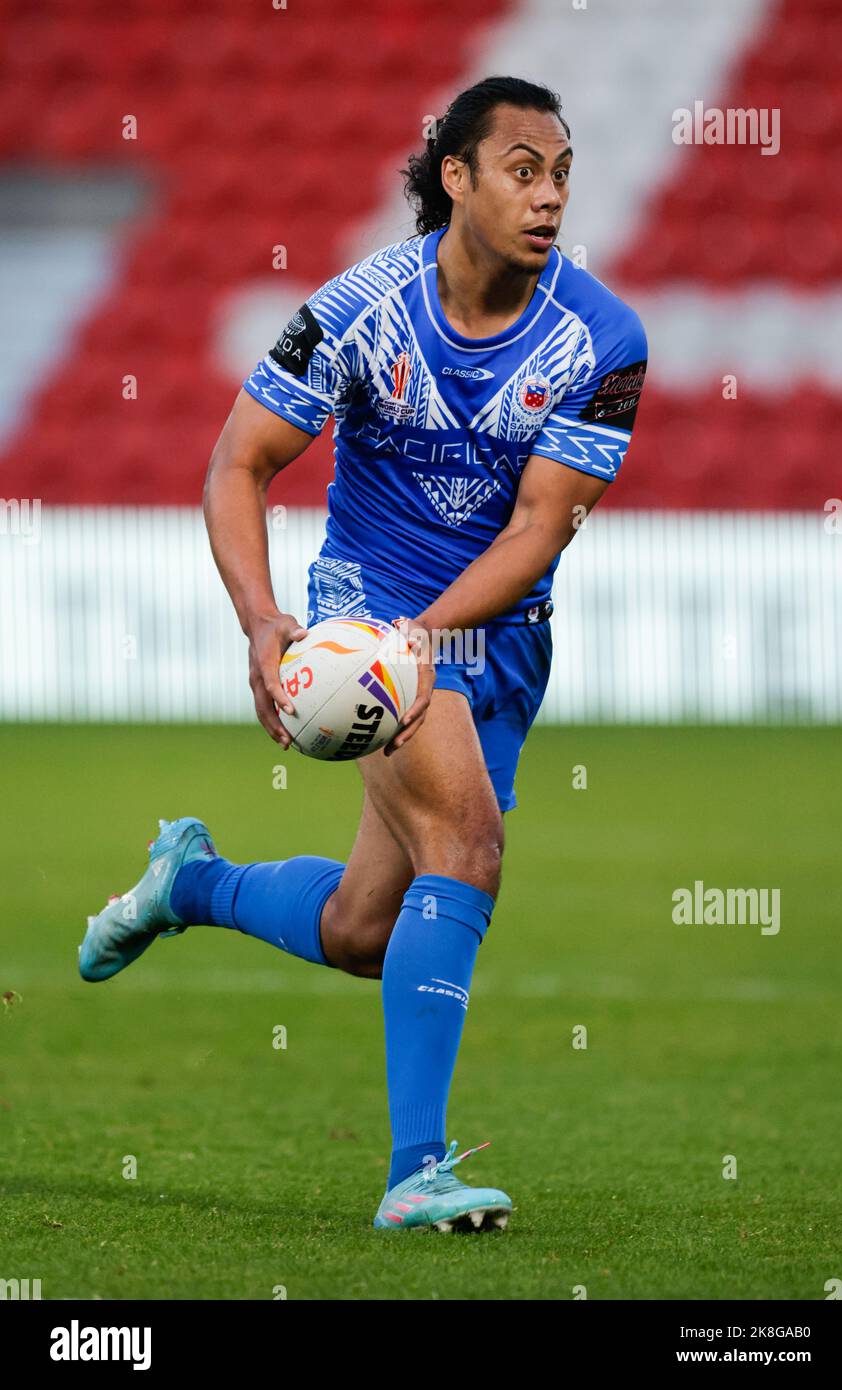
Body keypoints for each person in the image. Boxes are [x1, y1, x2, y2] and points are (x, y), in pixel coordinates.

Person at [79, 75, 648, 1233]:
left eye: (562, 173)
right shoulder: (356, 309)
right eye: (523, 169)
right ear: (457, 178)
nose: (550, 197)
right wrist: (263, 619)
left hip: (497, 637)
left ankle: (187, 880)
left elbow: (542, 528)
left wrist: (433, 637)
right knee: (468, 844)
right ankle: (417, 1172)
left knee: (362, 931)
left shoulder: (604, 339)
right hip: (366, 613)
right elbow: (238, 463)